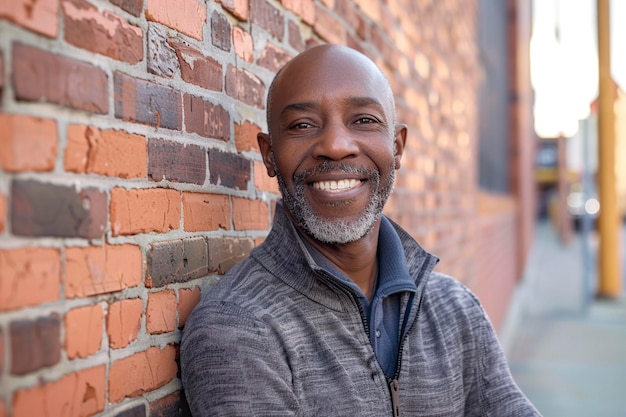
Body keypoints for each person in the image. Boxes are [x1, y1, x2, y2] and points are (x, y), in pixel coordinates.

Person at [180, 44, 540, 417]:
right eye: (303, 125)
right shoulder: (238, 327)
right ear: (270, 155)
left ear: (397, 147)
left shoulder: (454, 308)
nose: (335, 146)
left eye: (364, 120)